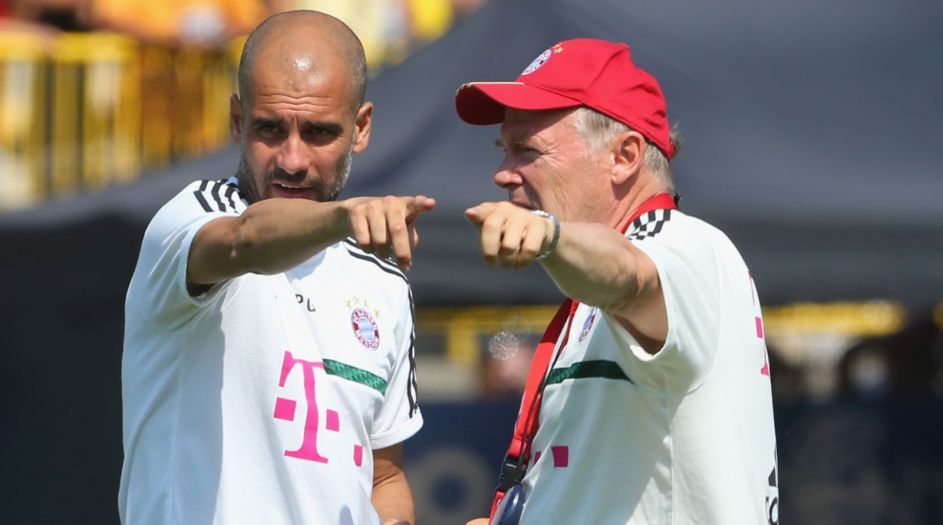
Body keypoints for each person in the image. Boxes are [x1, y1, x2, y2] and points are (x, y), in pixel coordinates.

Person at [119, 10, 434, 525]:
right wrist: (342, 217)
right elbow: (246, 242)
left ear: (361, 128)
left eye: (318, 132)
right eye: (270, 128)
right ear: (237, 121)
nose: (292, 159)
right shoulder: (189, 219)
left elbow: (384, 478)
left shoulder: (383, 281)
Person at [455, 38, 779, 524]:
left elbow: (629, 276)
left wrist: (549, 235)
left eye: (525, 149)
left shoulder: (686, 244)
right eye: (504, 150)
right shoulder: (589, 289)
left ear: (625, 156)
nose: (502, 173)